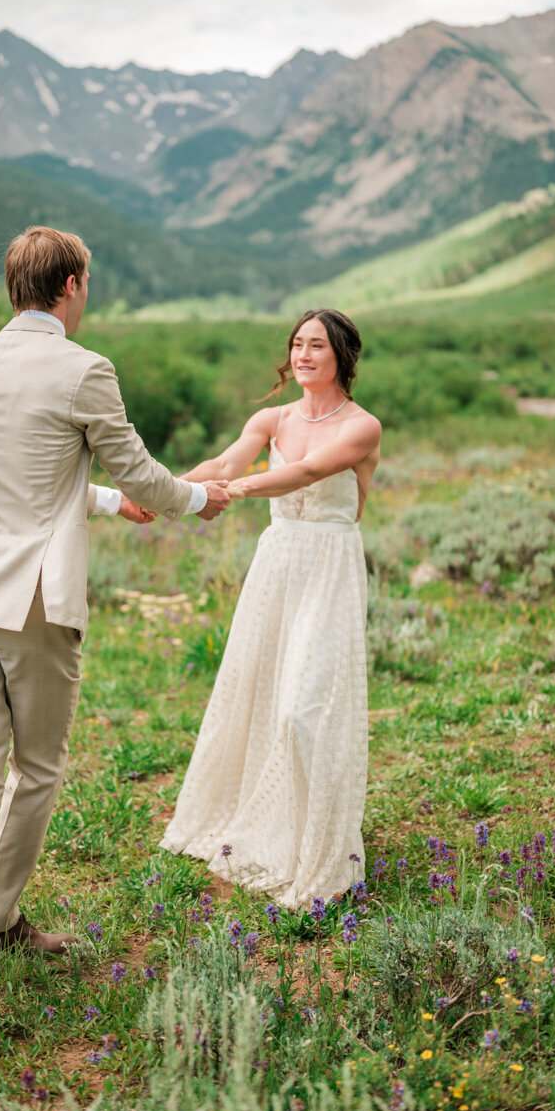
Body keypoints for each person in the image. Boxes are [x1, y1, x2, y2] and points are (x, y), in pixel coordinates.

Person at [0, 226, 231, 1021]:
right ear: (70, 285)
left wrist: (113, 506)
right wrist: (194, 498)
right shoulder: (84, 369)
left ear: (16, 285)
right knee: (36, 768)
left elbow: (16, 478)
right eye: (86, 282)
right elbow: (136, 467)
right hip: (31, 598)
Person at [161, 308, 381, 908]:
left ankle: (317, 847)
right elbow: (224, 465)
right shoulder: (271, 417)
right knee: (256, 693)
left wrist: (233, 492)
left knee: (303, 709)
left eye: (318, 345)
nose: (305, 354)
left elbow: (305, 473)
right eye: (297, 343)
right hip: (278, 561)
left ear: (342, 356)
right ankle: (258, 824)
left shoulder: (362, 427)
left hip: (329, 568)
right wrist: (168, 491)